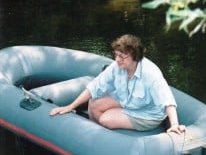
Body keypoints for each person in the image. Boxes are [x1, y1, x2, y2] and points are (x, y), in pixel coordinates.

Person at [49, 34, 185, 134]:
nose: (117, 59)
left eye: (121, 56)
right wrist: (70, 106)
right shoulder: (117, 67)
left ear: (134, 56)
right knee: (93, 103)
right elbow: (95, 86)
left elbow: (168, 100)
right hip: (127, 101)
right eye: (116, 55)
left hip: (146, 114)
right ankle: (98, 136)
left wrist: (174, 124)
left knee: (106, 119)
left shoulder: (150, 73)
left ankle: (109, 135)